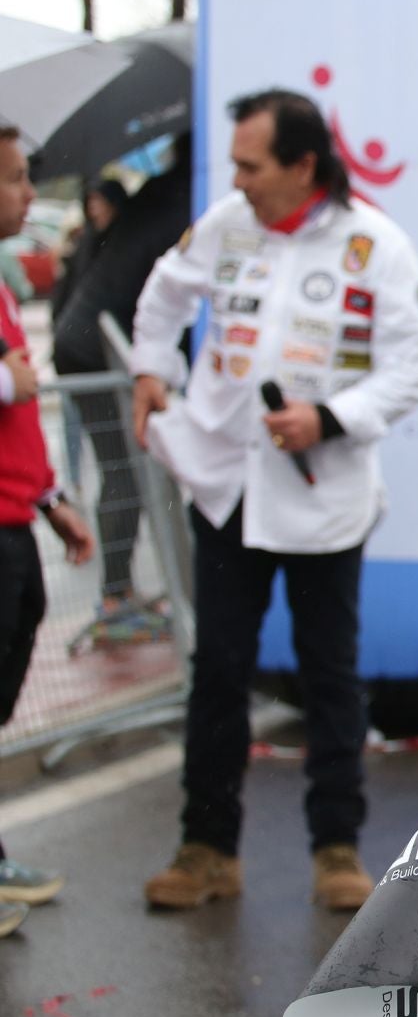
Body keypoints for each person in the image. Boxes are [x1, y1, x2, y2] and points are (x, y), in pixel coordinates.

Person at [129, 90, 418, 912]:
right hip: (226, 488)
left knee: (329, 675)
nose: (236, 179)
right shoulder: (228, 222)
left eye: (250, 164)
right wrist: (149, 370)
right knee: (219, 670)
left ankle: (337, 848)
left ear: (303, 165)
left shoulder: (376, 244)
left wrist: (330, 418)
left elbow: (416, 366)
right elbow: (161, 296)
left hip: (322, 499)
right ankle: (205, 849)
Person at [0, 124, 96, 938]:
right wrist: (8, 376)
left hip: (14, 521)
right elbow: (14, 388)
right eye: (13, 181)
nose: (28, 197)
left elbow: (20, 423)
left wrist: (52, 495)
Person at [52, 147, 193, 645]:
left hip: (90, 339)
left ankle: (128, 589)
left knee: (134, 470)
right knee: (125, 472)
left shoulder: (160, 192)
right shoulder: (186, 201)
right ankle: (114, 596)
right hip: (97, 348)